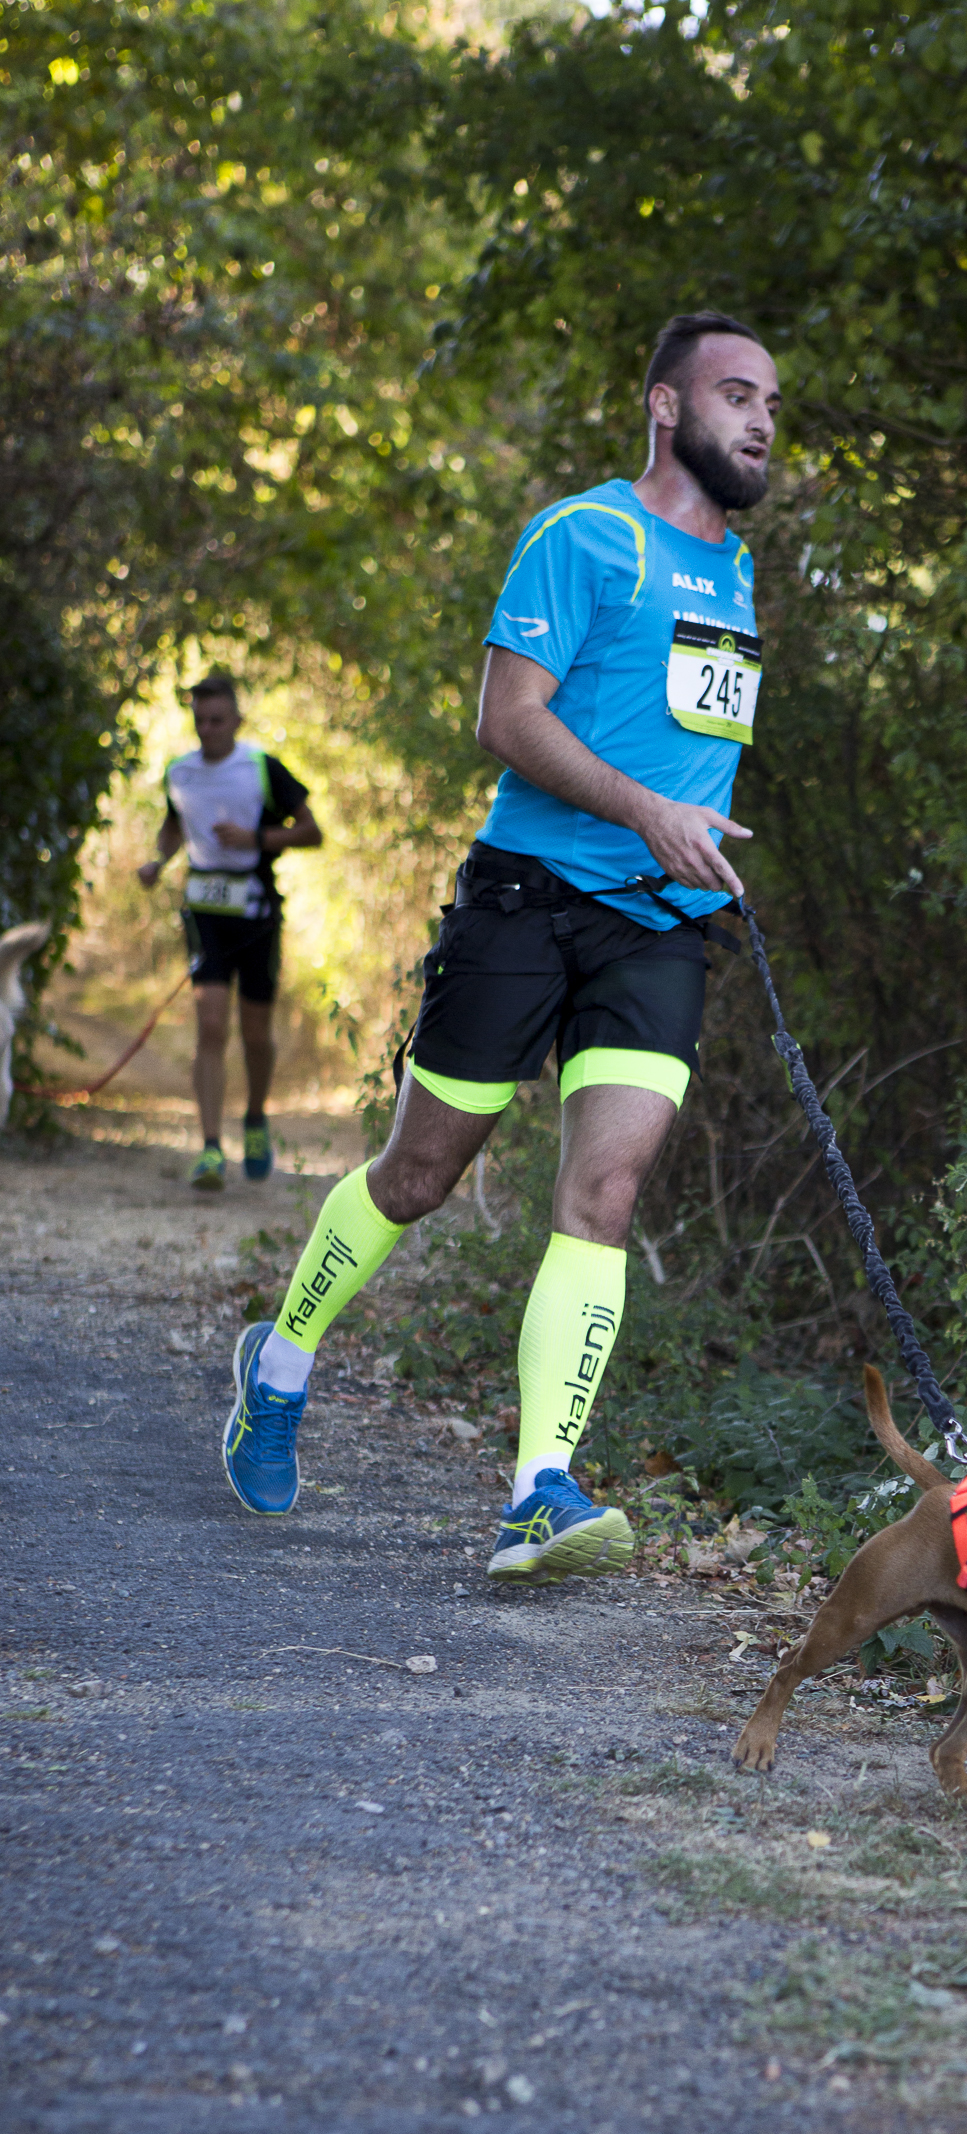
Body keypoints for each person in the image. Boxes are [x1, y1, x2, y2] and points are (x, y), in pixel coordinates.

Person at [221, 311, 780, 1585]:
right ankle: (281, 1365)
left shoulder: (739, 572)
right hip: (525, 902)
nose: (759, 421)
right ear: (665, 407)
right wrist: (648, 811)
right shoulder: (585, 535)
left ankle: (540, 1489)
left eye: (769, 404)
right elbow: (507, 716)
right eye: (735, 395)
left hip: (659, 927)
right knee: (419, 1175)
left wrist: (680, 841)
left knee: (606, 1193)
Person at [139, 675, 323, 1188]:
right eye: (199, 720)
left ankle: (256, 1118)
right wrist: (158, 860)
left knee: (255, 1034)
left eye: (217, 720)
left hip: (257, 913)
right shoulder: (180, 772)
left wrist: (255, 838)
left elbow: (312, 832)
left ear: (237, 720)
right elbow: (174, 825)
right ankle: (211, 1149)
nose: (207, 729)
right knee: (211, 1025)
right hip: (204, 913)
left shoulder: (261, 767)